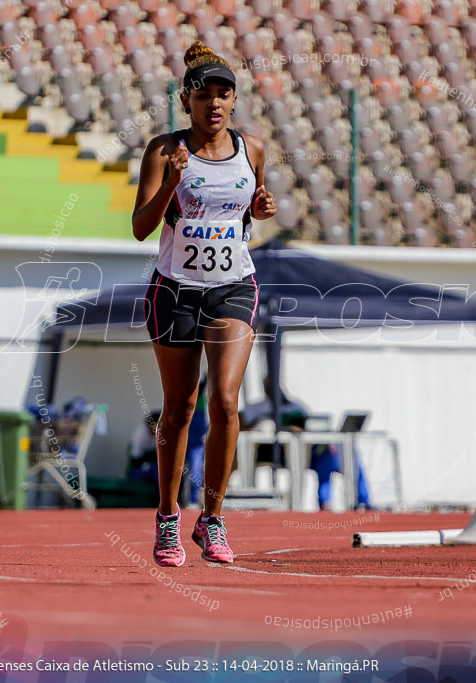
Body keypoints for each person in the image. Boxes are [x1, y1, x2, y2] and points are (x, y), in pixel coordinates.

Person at [131, 41, 276, 566]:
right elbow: (140, 229)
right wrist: (171, 183)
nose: (213, 105)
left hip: (233, 285)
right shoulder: (164, 150)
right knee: (181, 408)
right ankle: (168, 520)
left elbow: (247, 210)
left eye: (223, 95)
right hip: (174, 290)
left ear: (234, 100)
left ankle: (212, 520)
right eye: (203, 96)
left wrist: (262, 206)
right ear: (186, 100)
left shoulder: (253, 149)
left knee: (227, 403)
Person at [241, 377, 371, 510]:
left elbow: (311, 427)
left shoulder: (296, 406)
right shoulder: (255, 408)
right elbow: (241, 426)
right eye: (270, 387)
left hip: (305, 453)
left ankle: (356, 501)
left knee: (336, 455)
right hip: (271, 453)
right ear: (266, 389)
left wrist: (327, 441)